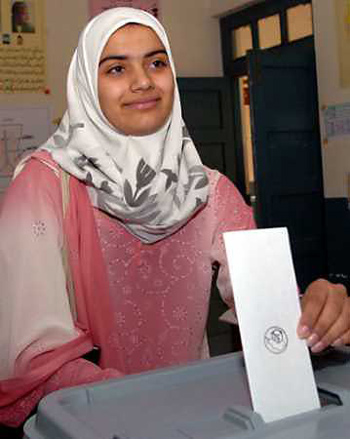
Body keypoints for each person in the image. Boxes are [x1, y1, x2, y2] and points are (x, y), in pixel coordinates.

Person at [0, 7, 349, 430]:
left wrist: (316, 316)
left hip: (189, 420)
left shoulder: (210, 190)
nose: (143, 81)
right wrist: (146, 406)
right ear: (86, 87)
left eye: (156, 62)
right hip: (85, 423)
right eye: (115, 68)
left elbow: (274, 316)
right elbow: (33, 358)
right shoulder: (42, 187)